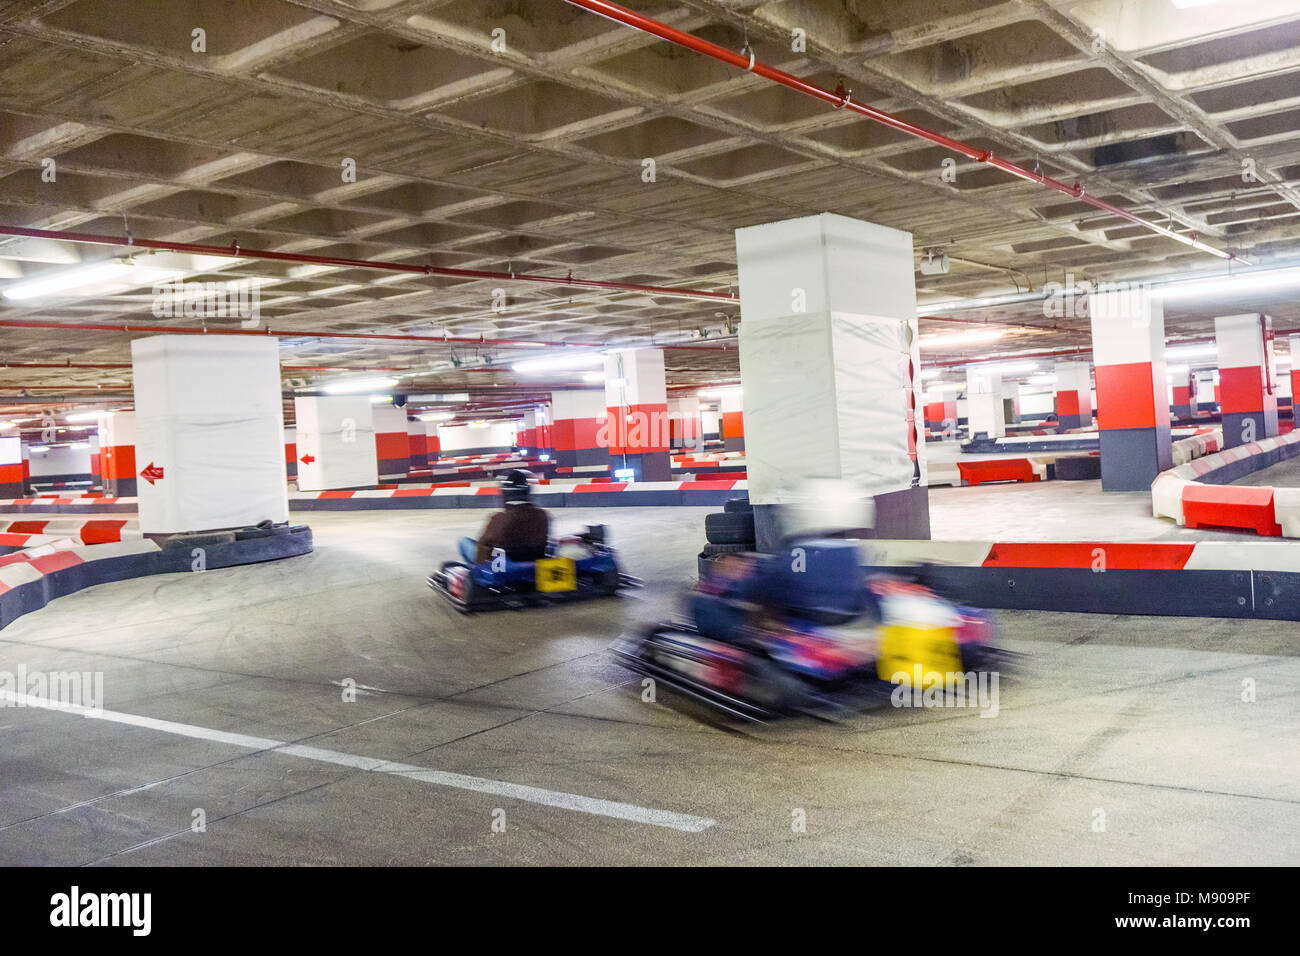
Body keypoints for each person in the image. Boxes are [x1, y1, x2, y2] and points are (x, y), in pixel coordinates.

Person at [457, 469, 550, 565]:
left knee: (464, 542)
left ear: (505, 493)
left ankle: (471, 575)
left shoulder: (499, 519)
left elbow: (482, 547)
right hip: (532, 565)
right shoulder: (542, 515)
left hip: (503, 568)